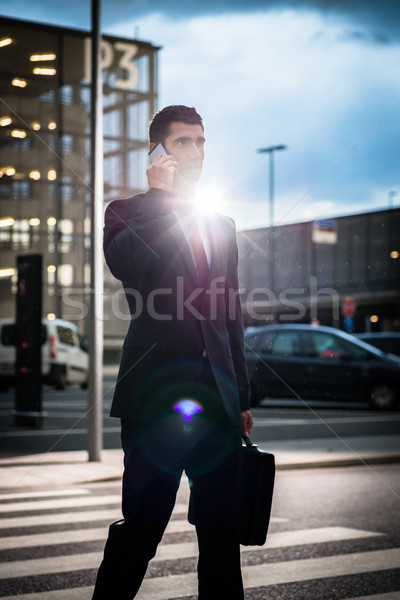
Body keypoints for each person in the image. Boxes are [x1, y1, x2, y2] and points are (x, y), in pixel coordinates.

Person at [91, 105, 253, 600]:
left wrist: (242, 396)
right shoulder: (127, 211)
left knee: (223, 536)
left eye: (201, 141)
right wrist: (159, 198)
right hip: (155, 398)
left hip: (218, 402)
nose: (196, 151)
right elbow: (126, 265)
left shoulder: (220, 222)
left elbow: (230, 316)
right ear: (158, 151)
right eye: (183, 141)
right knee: (142, 528)